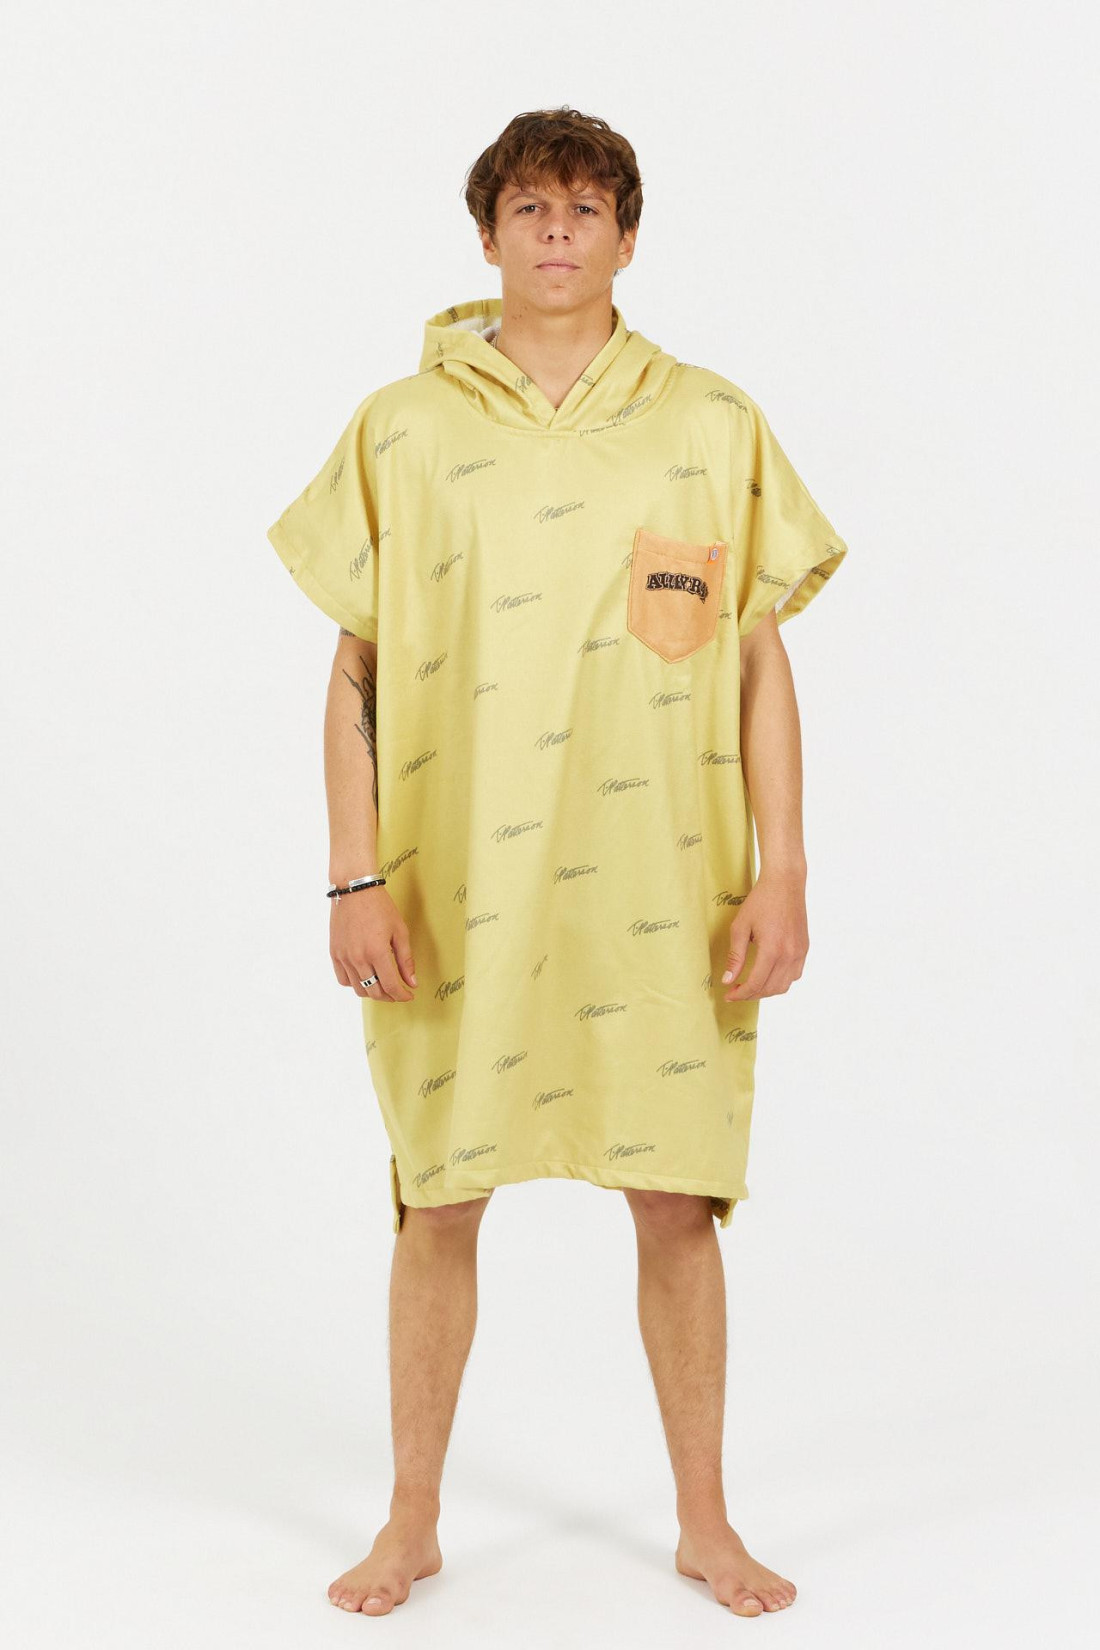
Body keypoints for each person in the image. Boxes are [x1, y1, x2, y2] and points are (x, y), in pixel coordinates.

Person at [266, 106, 847, 1619]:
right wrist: (352, 874)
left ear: (629, 239)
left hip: (667, 887)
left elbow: (758, 658)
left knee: (678, 1199)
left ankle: (706, 1519)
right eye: (530, 206)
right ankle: (411, 1519)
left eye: (588, 208)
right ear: (488, 236)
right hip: (451, 886)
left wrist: (784, 868)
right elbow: (354, 665)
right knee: (436, 1200)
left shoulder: (711, 423)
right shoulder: (402, 427)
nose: (558, 231)